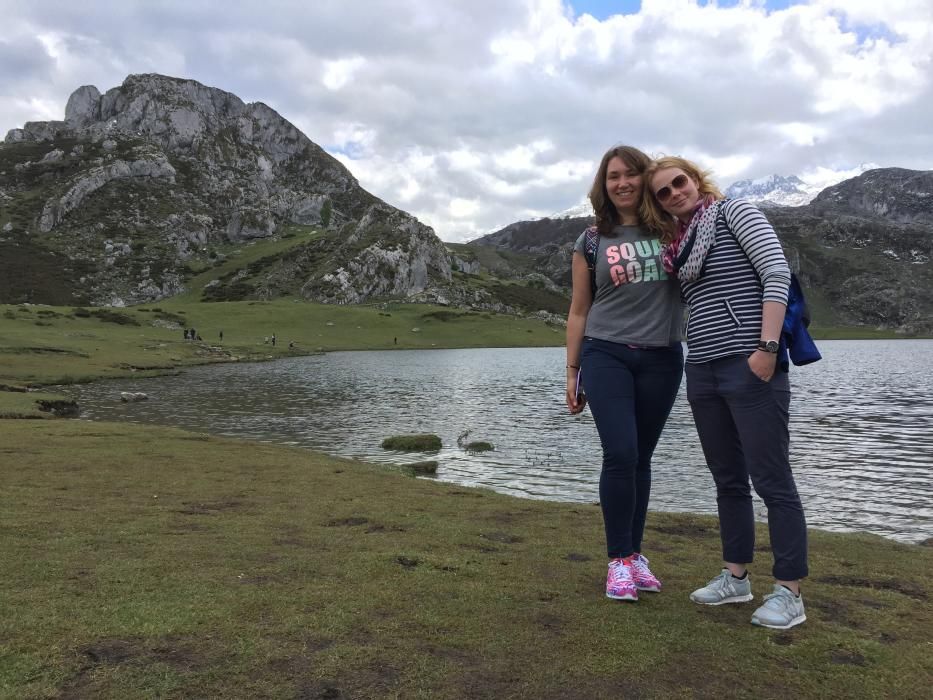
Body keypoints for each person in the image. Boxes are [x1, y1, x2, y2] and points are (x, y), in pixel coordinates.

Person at [642, 156, 808, 629]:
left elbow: (776, 275)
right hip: (704, 370)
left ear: (695, 180)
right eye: (664, 192)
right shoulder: (677, 243)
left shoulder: (736, 213)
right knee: (728, 479)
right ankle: (736, 577)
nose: (675, 193)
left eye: (680, 182)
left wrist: (767, 348)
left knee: (772, 479)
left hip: (750, 363)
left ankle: (790, 591)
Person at [565, 145, 685, 602]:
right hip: (605, 354)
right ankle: (618, 561)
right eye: (613, 176)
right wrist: (572, 372)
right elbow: (579, 311)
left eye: (632, 175)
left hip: (663, 356)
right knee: (620, 451)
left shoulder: (675, 229)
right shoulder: (591, 240)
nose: (623, 183)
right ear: (604, 184)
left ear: (644, 179)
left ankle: (635, 555)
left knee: (641, 459)